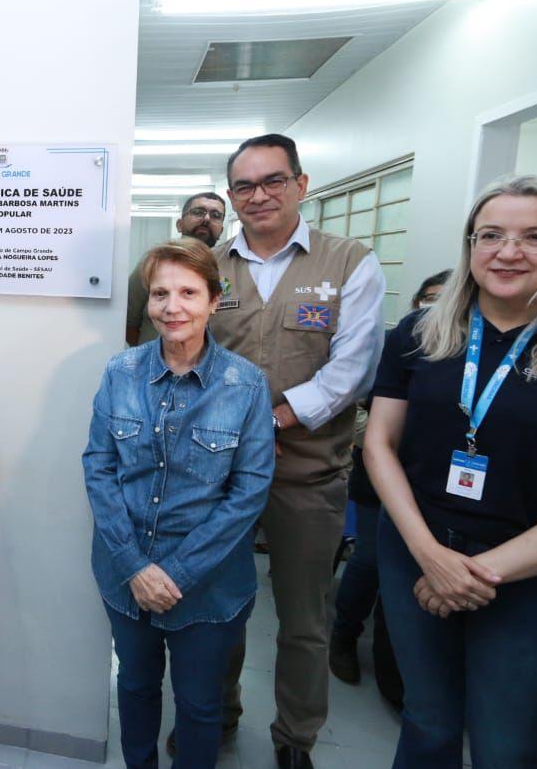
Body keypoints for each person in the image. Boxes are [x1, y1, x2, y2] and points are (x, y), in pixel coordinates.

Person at [364, 175, 537, 769]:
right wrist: (431, 556)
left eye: (535, 237)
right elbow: (380, 445)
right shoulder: (420, 332)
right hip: (416, 552)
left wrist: (476, 573)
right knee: (428, 724)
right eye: (490, 235)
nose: (508, 252)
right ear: (469, 246)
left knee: (505, 745)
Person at [197, 133, 386, 769]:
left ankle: (295, 737)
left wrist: (271, 421)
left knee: (305, 620)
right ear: (232, 197)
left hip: (307, 473)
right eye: (245, 186)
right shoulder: (209, 269)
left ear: (301, 185)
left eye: (273, 180)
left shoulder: (350, 262)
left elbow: (352, 371)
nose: (260, 196)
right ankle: (215, 715)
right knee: (218, 607)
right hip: (217, 474)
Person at [85, 237, 274, 768]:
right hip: (127, 576)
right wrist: (134, 567)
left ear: (215, 301)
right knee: (137, 690)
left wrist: (177, 574)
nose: (173, 307)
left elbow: (249, 491)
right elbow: (98, 468)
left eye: (189, 292)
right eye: (160, 293)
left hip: (210, 587)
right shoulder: (120, 373)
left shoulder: (246, 385)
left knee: (198, 704)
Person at [329, 271, 449, 697]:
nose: (436, 309)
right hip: (383, 474)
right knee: (370, 564)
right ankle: (343, 634)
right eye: (429, 299)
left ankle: (391, 668)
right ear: (416, 302)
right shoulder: (401, 345)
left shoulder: (470, 355)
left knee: (409, 580)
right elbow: (369, 414)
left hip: (438, 487)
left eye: (446, 300)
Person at [126, 191, 227, 346]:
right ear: (179, 224)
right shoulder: (154, 263)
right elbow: (128, 322)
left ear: (221, 229)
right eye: (198, 212)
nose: (206, 219)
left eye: (215, 215)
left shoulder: (228, 266)